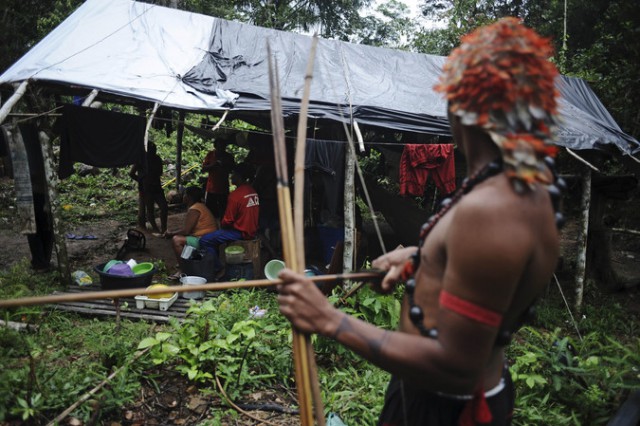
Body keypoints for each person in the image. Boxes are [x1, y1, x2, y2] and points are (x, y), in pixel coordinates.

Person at [276, 18, 564, 425]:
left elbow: (457, 364)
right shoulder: (518, 186)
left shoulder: (494, 209)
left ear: (459, 104)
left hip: (446, 407)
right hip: (436, 397)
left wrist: (328, 319)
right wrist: (422, 258)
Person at [200, 162, 260, 278]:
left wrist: (221, 226)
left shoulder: (235, 195)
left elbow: (227, 221)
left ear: (239, 176)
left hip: (240, 233)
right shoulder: (252, 190)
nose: (231, 177)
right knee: (215, 236)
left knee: (205, 240)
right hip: (252, 229)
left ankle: (219, 268)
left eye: (233, 174)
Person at [164, 186, 218, 279]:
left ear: (189, 197)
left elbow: (186, 230)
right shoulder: (200, 206)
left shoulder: (195, 209)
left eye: (185, 194)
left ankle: (183, 270)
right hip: (208, 236)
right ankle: (188, 263)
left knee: (176, 240)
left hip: (205, 238)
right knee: (182, 238)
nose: (183, 196)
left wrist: (170, 233)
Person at [130, 142, 168, 234]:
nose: (154, 151)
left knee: (164, 207)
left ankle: (164, 228)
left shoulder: (157, 159)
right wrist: (141, 180)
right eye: (152, 150)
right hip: (146, 189)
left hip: (157, 187)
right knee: (150, 209)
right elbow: (131, 173)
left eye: (154, 149)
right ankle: (155, 228)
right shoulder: (141, 160)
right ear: (148, 150)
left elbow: (160, 172)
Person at [202, 138, 234, 219]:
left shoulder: (229, 157)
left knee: (224, 211)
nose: (221, 148)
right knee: (210, 211)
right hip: (211, 188)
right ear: (216, 146)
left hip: (223, 189)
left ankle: (222, 228)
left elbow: (233, 170)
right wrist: (213, 165)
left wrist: (224, 165)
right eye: (219, 146)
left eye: (223, 146)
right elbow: (203, 169)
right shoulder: (210, 155)